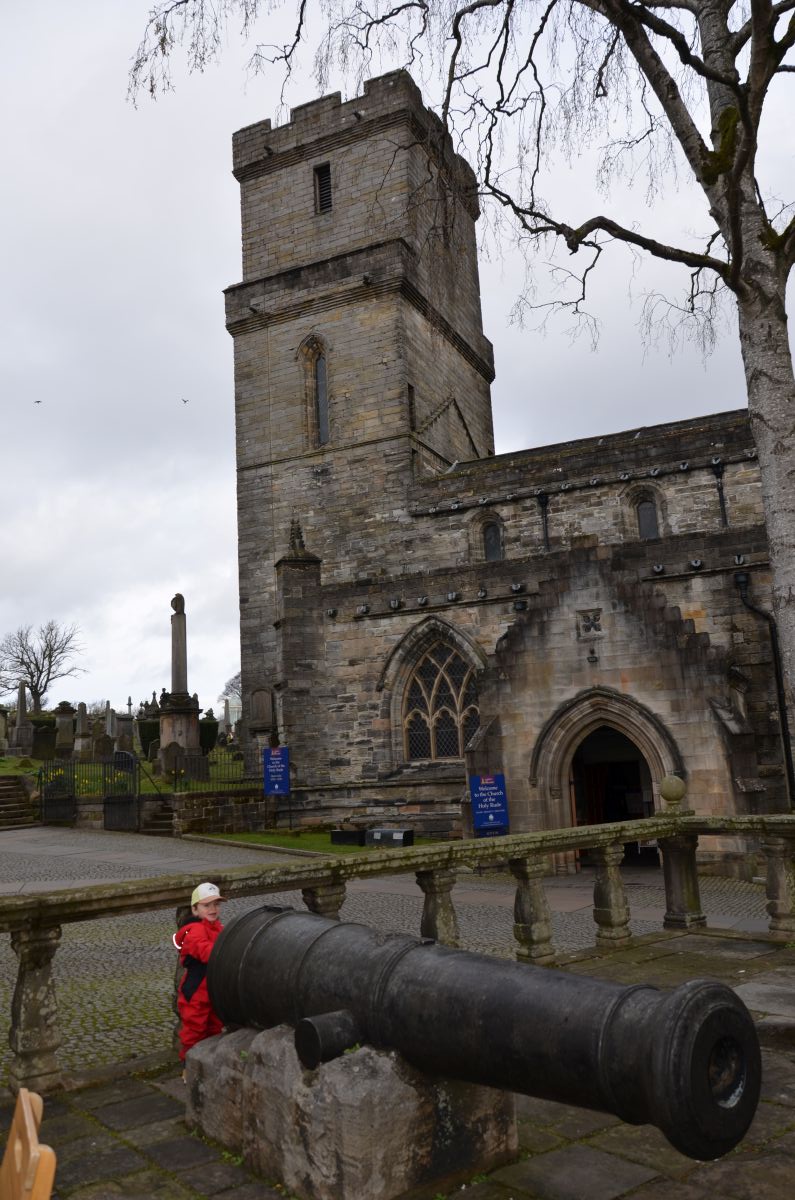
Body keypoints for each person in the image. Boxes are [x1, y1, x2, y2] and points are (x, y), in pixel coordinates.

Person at [173, 881, 226, 1067]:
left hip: (212, 990)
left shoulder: (218, 927)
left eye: (216, 904)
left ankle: (208, 1064)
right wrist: (227, 952)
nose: (213, 908)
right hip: (196, 992)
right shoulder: (193, 930)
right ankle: (189, 1066)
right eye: (206, 905)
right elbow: (204, 951)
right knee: (194, 1030)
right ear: (195, 910)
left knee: (215, 1027)